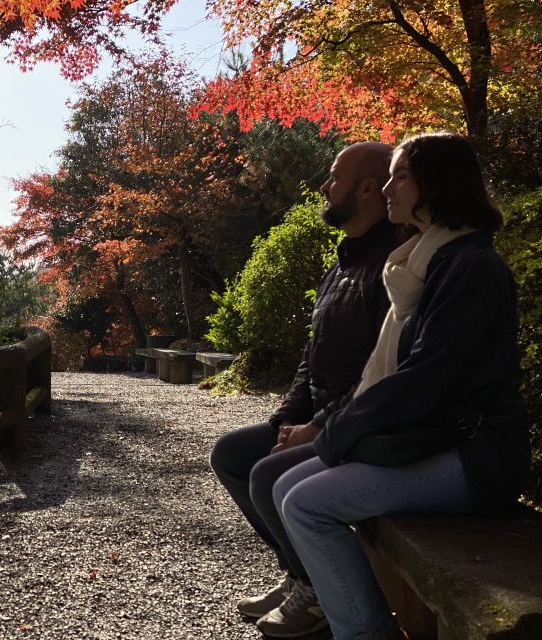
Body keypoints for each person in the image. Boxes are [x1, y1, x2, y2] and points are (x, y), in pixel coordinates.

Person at [272, 132, 531, 640]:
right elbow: (396, 373)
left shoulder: (471, 267)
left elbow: (424, 378)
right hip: (434, 438)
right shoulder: (424, 260)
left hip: (475, 455)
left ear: (437, 184)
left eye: (401, 175)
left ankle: (365, 632)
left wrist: (336, 435)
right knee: (283, 485)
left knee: (305, 504)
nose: (388, 188)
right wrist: (334, 433)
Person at [209, 141, 405, 638]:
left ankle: (322, 592)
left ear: (365, 188)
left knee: (268, 475)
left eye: (334, 176)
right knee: (233, 453)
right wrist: (284, 420)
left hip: (361, 425)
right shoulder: (342, 262)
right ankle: (302, 574)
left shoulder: (394, 265)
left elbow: (382, 371)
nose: (324, 186)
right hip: (322, 418)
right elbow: (313, 357)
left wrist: (317, 427)